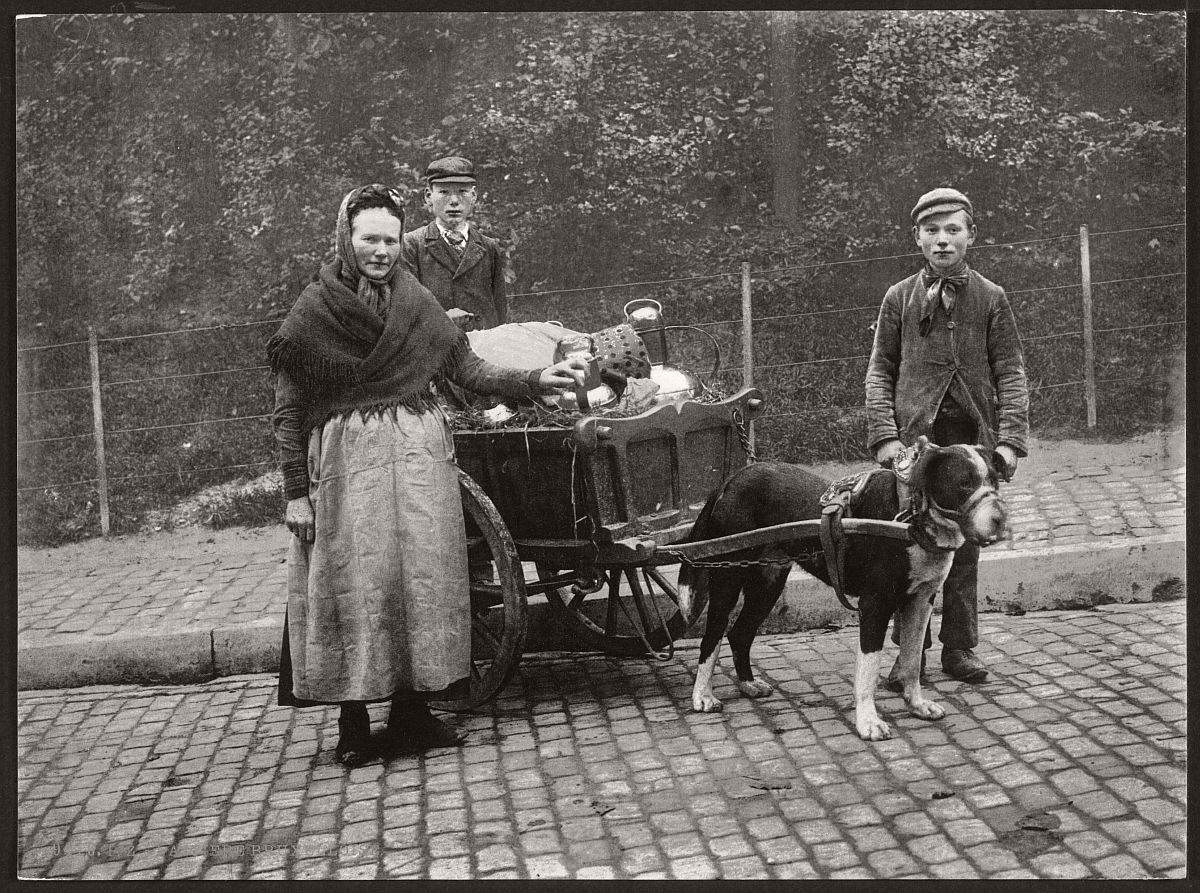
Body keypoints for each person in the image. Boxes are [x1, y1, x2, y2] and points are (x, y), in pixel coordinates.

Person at [268, 183, 587, 767]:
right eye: (370, 239)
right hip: (348, 468)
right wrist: (295, 493)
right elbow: (289, 411)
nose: (382, 251)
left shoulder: (414, 299)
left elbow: (466, 365)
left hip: (419, 463)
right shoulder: (314, 310)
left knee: (421, 580)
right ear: (347, 238)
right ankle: (354, 724)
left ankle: (413, 712)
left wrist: (535, 380)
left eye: (391, 239)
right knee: (356, 587)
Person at [864, 187, 1029, 685]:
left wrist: (1009, 441)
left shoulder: (991, 297)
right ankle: (908, 655)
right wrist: (885, 437)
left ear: (970, 236)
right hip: (916, 445)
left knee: (965, 546)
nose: (942, 241)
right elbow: (880, 371)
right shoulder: (898, 298)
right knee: (906, 545)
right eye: (931, 231)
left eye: (952, 230)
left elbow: (1011, 373)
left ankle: (959, 647)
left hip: (972, 444)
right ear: (917, 237)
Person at [401, 155, 507, 331]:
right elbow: (407, 311)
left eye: (462, 192)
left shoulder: (489, 247)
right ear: (428, 196)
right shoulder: (411, 245)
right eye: (444, 192)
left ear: (473, 196)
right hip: (436, 348)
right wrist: (442, 321)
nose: (454, 201)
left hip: (485, 348)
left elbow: (500, 312)